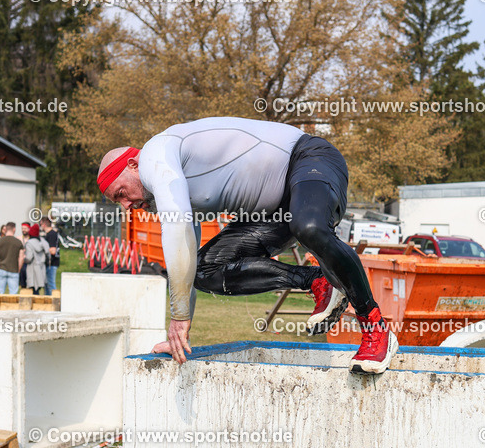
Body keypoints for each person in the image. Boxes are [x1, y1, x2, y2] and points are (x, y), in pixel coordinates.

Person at [97, 117, 397, 374]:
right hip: (274, 210)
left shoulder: (155, 155)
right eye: (119, 202)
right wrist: (177, 330)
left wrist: (179, 317)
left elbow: (175, 232)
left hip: (309, 160)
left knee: (308, 227)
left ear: (133, 165)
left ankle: (375, 326)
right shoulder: (174, 186)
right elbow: (184, 257)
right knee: (204, 270)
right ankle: (317, 281)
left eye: (121, 192)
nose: (126, 206)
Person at [0, 222, 24, 295]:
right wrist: (18, 269)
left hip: (2, 268)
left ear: (6, 229)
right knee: (13, 294)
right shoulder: (18, 242)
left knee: (0, 293)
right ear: (14, 229)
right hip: (14, 270)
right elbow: (21, 258)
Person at [24, 224, 48, 294]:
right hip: (41, 269)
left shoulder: (29, 243)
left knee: (33, 290)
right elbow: (47, 253)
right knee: (38, 290)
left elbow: (29, 257)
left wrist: (24, 259)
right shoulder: (43, 242)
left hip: (32, 269)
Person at [40, 217, 60, 294]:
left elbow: (53, 251)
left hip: (51, 263)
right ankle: (48, 301)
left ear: (44, 224)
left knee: (51, 284)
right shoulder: (48, 234)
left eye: (41, 224)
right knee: (47, 284)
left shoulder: (51, 234)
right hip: (48, 264)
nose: (40, 226)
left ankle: (54, 301)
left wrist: (41, 250)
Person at [19, 222, 31, 289]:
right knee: (22, 283)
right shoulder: (19, 238)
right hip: (22, 262)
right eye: (22, 228)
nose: (23, 230)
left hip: (29, 262)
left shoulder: (31, 239)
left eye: (25, 228)